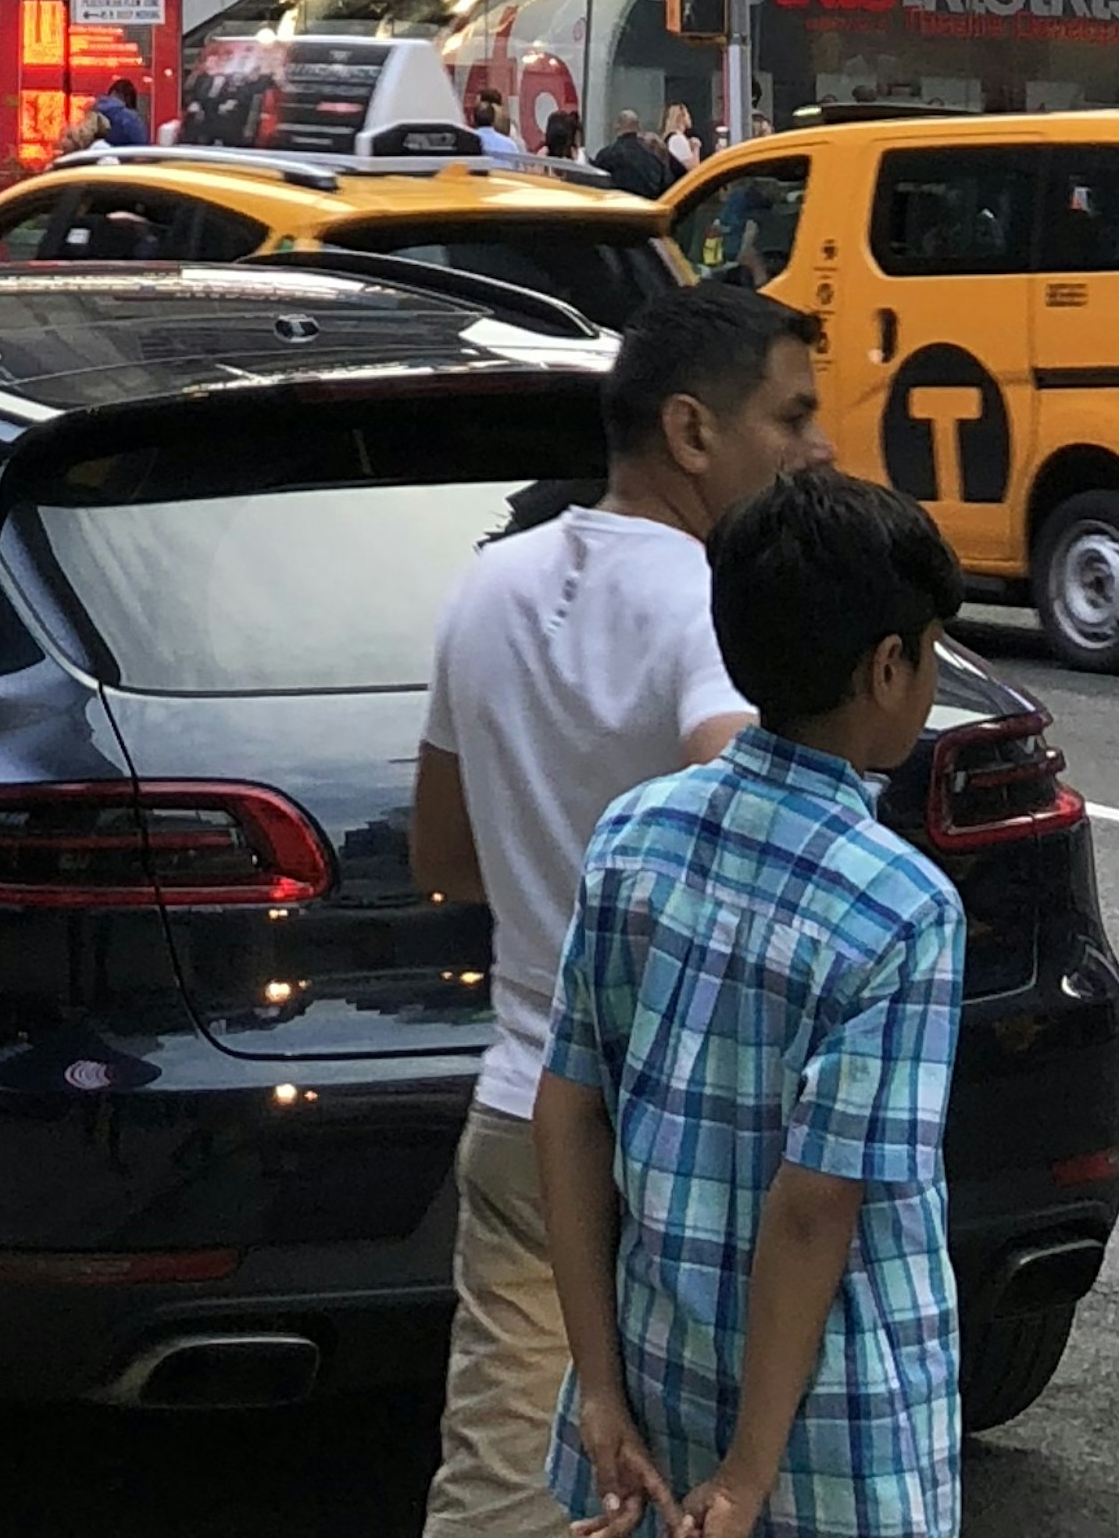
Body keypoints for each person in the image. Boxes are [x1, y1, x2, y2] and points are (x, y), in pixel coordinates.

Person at [409, 289, 827, 1538]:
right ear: (693, 430)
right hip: (677, 1132)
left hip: (518, 1105)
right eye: (793, 415)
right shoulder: (706, 598)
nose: (816, 448)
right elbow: (756, 818)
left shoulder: (489, 585)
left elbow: (443, 851)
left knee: (503, 1482)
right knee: (712, 1480)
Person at [536, 467, 970, 1538]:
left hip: (654, 1372)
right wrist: (745, 1475)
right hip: (831, 1428)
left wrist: (598, 1383)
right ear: (886, 665)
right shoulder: (902, 905)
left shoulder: (637, 831)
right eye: (929, 651)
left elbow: (568, 1105)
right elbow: (816, 1201)